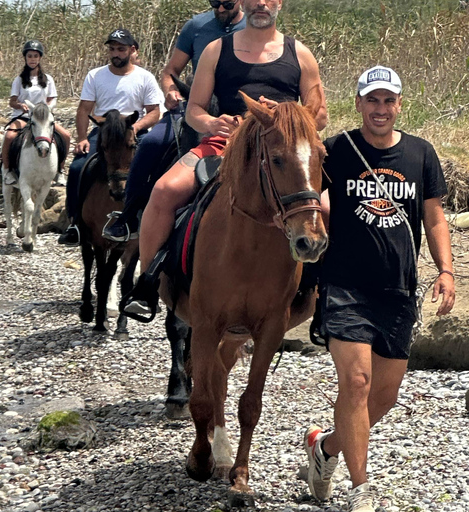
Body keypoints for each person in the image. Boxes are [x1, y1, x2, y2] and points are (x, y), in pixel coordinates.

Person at [303, 66, 455, 512]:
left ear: (400, 105)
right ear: (359, 104)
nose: (381, 109)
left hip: (398, 289)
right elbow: (306, 196)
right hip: (345, 285)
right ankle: (360, 488)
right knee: (356, 382)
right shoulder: (336, 151)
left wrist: (445, 270)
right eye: (373, 100)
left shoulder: (421, 154)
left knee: (383, 397)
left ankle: (326, 447)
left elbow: (434, 218)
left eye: (389, 101)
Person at [124, 0, 327, 314]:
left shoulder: (300, 54)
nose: (261, 3)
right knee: (164, 191)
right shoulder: (216, 50)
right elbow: (194, 111)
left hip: (283, 152)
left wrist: (285, 116)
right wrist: (212, 123)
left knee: (326, 206)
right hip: (225, 144)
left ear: (279, 3)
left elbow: (320, 115)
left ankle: (320, 293)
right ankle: (148, 283)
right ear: (244, 3)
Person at [103, 0, 246, 242]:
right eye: (215, 3)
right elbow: (171, 71)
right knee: (150, 144)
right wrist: (170, 91)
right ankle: (128, 218)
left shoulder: (253, 27)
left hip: (238, 111)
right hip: (195, 105)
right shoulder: (196, 26)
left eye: (227, 3)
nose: (221, 9)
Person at [57, 28, 164, 246]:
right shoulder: (95, 75)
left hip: (133, 131)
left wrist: (136, 127)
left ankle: (155, 222)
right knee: (78, 167)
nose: (116, 53)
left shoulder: (145, 77)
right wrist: (82, 138)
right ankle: (75, 223)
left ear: (132, 50)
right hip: (104, 131)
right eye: (112, 49)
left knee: (159, 168)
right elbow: (84, 109)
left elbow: (154, 111)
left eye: (121, 49)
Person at [0, 40, 70, 186]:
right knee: (9, 136)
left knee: (66, 136)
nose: (32, 59)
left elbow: (52, 99)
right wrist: (20, 106)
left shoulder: (48, 79)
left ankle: (60, 170)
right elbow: (12, 101)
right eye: (30, 56)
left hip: (42, 118)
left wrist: (48, 109)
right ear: (25, 58)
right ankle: (7, 171)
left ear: (40, 58)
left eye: (35, 56)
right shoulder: (19, 80)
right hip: (24, 117)